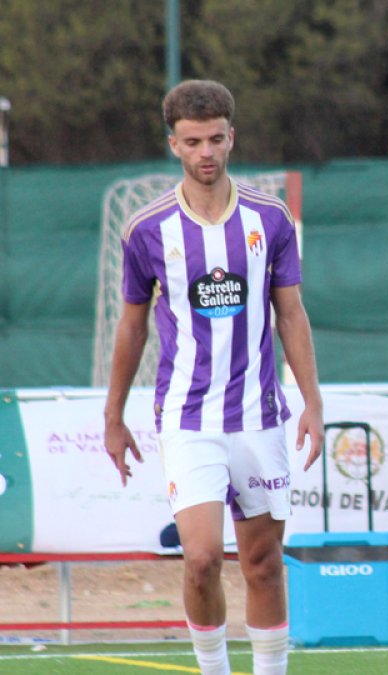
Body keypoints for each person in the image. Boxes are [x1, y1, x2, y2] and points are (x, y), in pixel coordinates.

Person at [103, 80, 324, 675]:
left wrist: (312, 402)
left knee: (263, 563)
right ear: (173, 144)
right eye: (193, 141)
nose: (207, 152)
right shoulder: (147, 230)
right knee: (200, 558)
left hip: (259, 415)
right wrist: (113, 416)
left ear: (233, 137)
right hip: (186, 417)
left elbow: (291, 313)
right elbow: (132, 327)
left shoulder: (269, 218)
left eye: (216, 139)